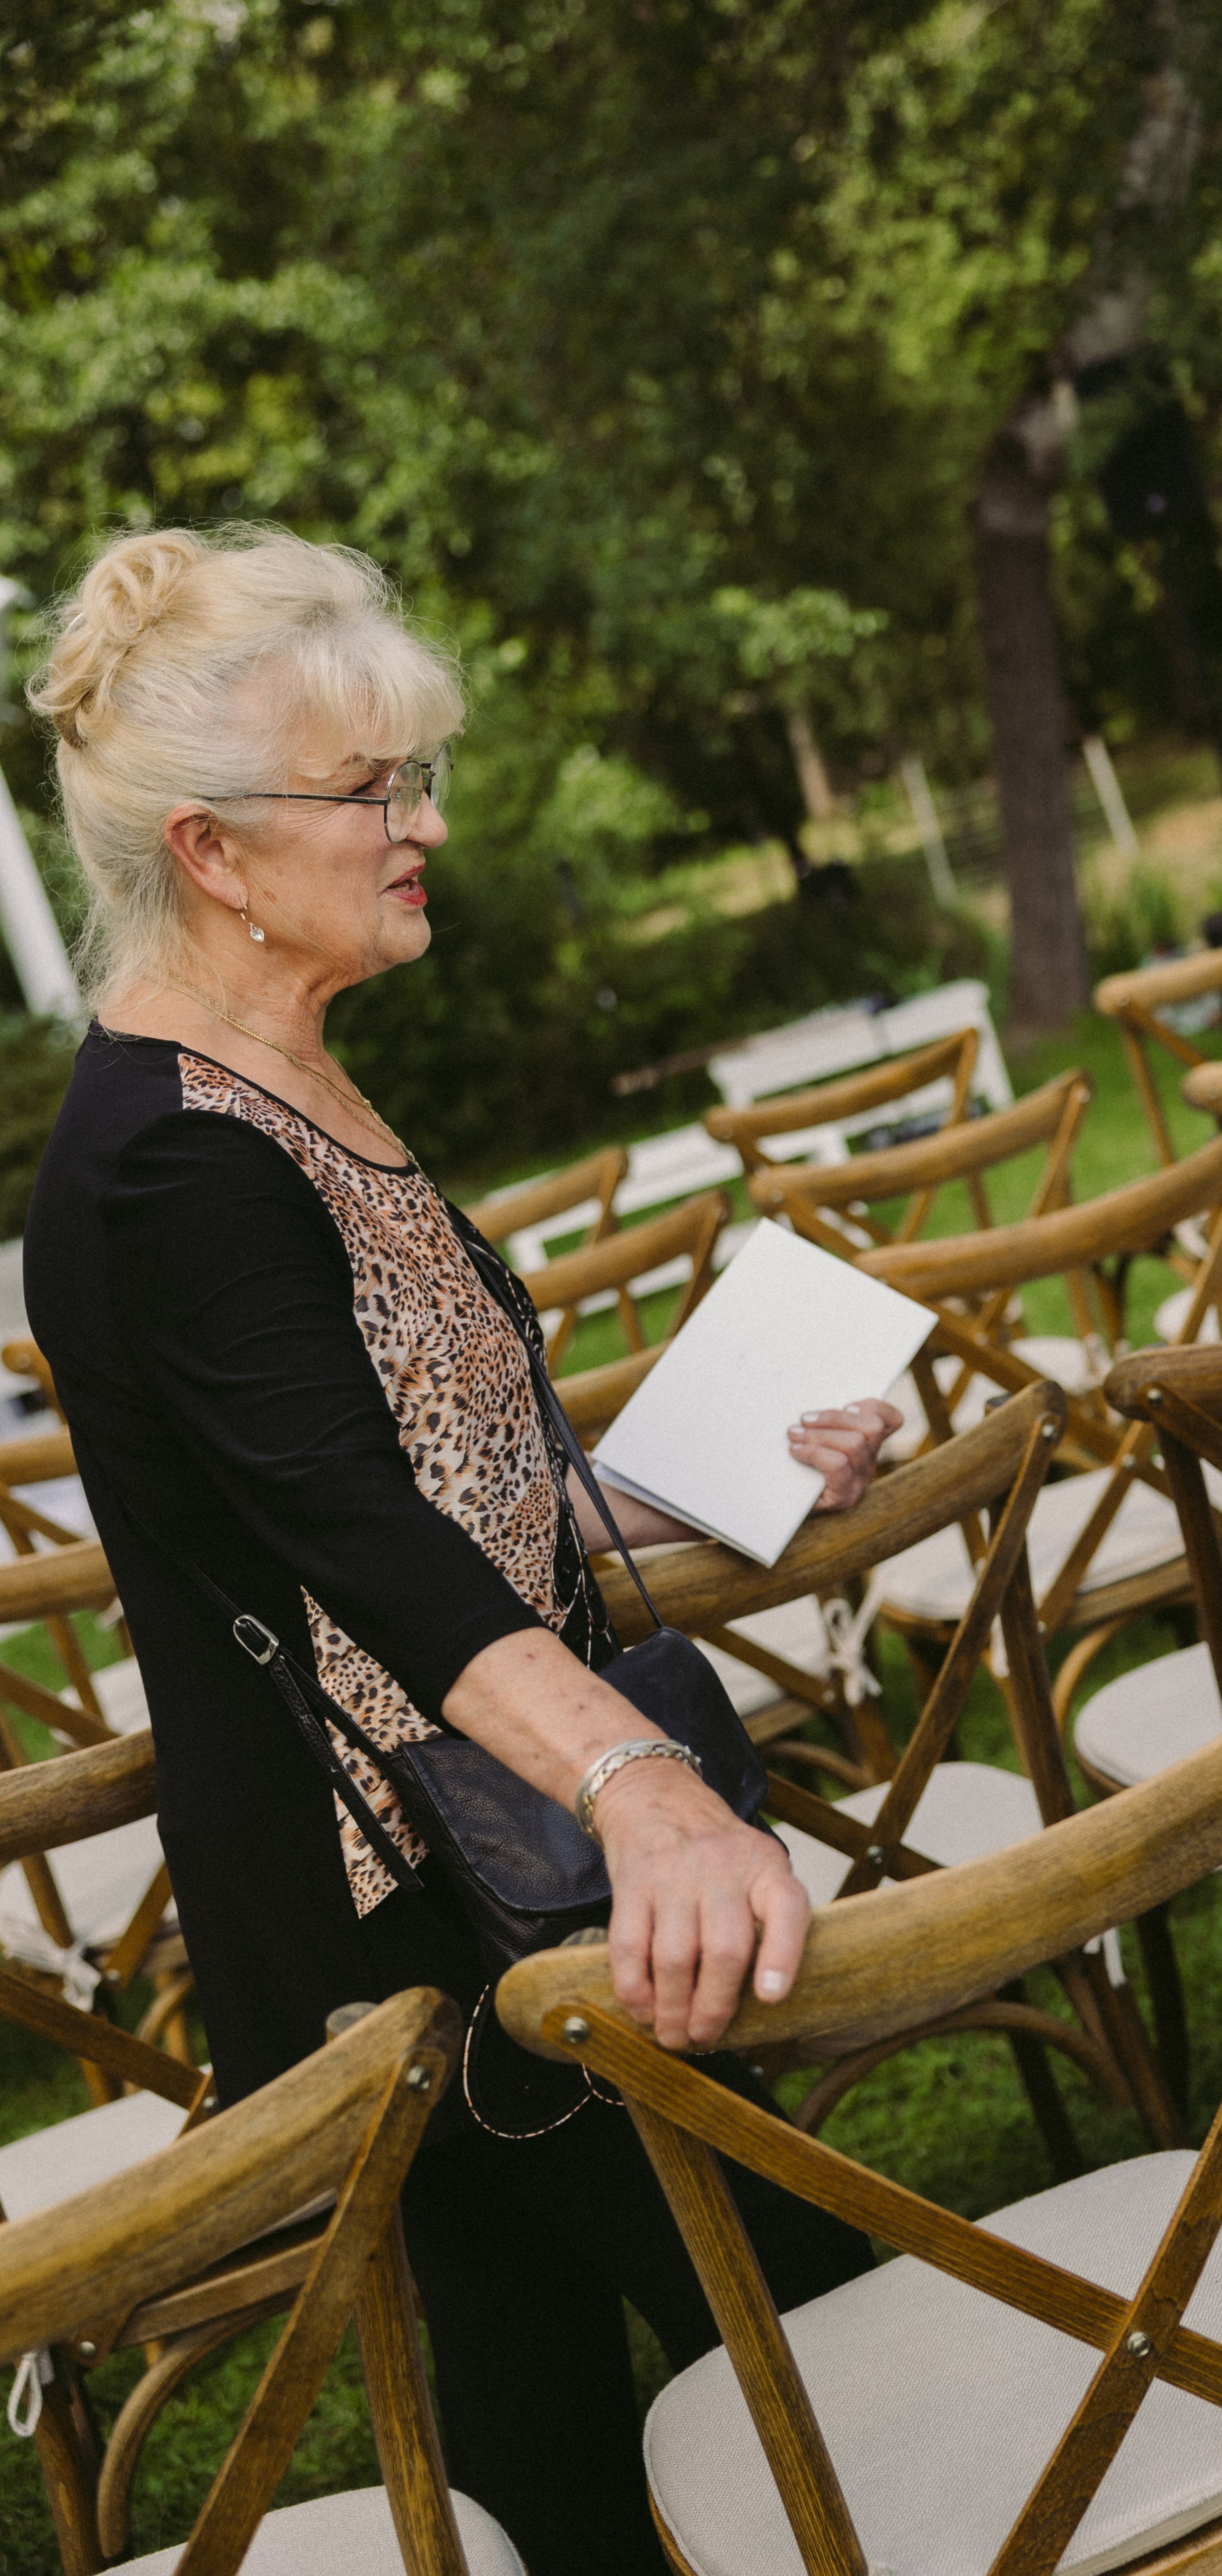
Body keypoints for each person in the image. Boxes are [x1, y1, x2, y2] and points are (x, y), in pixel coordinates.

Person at [22, 524, 901, 2571]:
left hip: (485, 1850)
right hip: (396, 1921)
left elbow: (431, 1489)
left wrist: (722, 1480)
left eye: (417, 775)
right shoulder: (167, 1166)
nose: (425, 825)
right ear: (216, 853)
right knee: (810, 2326)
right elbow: (348, 1538)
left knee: (560, 2431)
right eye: (376, 790)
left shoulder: (281, 1074)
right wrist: (642, 1783)